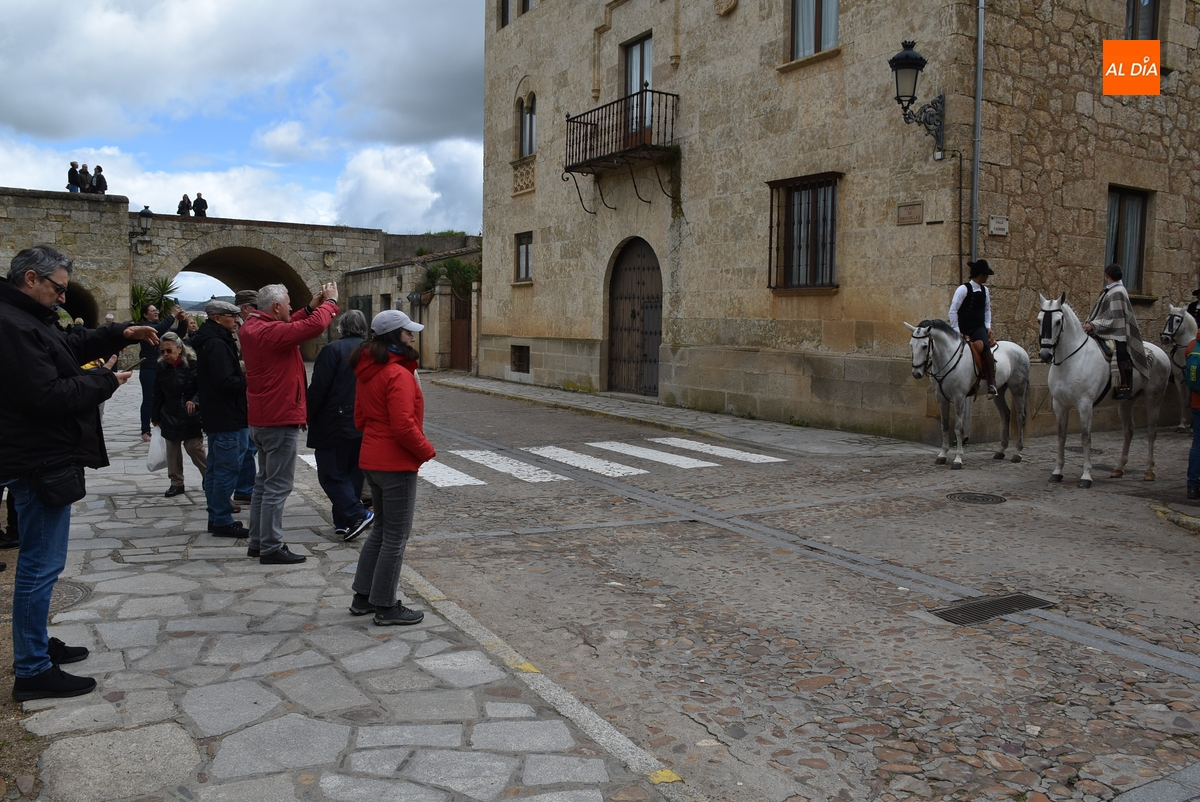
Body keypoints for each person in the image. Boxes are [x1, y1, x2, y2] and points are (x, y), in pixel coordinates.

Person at [0, 244, 159, 700]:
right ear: (31, 278)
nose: (63, 297)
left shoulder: (28, 317)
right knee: (40, 565)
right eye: (58, 288)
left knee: (42, 562)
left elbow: (68, 346)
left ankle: (36, 644)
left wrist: (121, 333)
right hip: (39, 458)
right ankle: (32, 669)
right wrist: (105, 381)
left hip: (44, 454)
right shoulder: (11, 324)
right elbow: (45, 395)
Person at [240, 282, 339, 564]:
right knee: (278, 486)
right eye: (288, 304)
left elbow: (291, 325)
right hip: (279, 418)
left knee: (263, 484)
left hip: (262, 418)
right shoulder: (269, 332)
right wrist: (330, 304)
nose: (291, 308)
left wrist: (309, 308)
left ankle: (258, 542)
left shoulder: (253, 327)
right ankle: (271, 546)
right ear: (276, 307)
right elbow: (311, 328)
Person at [349, 310, 435, 625]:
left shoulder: (368, 370)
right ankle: (386, 605)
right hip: (395, 462)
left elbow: (360, 419)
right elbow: (403, 426)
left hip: (372, 458)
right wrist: (426, 450)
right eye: (407, 332)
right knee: (396, 536)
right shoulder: (397, 373)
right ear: (394, 336)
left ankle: (363, 596)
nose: (412, 336)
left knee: (382, 530)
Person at [308, 310, 372, 541]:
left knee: (331, 474)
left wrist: (308, 415)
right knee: (353, 473)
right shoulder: (372, 351)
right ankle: (344, 522)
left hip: (334, 421)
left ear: (341, 328)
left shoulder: (333, 350)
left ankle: (355, 515)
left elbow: (319, 388)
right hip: (363, 422)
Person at [192, 300, 250, 538]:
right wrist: (249, 380)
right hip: (227, 415)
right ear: (217, 318)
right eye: (231, 316)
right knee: (226, 469)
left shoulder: (212, 339)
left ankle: (216, 516)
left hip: (219, 415)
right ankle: (222, 519)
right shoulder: (216, 343)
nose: (236, 320)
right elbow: (225, 382)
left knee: (217, 469)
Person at [151, 332, 206, 498]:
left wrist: (195, 401)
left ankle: (208, 476)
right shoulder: (162, 367)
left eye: (169, 350)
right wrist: (155, 415)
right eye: (162, 351)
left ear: (179, 349)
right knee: (172, 450)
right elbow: (157, 392)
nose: (166, 355)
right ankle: (176, 482)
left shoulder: (193, 363)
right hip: (170, 412)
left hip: (190, 413)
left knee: (193, 447)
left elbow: (202, 387)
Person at [1083, 263, 1148, 400]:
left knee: (1120, 352)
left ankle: (1124, 386)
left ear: (1106, 276)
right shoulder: (1111, 290)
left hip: (1117, 332)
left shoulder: (1117, 292)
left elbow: (1115, 319)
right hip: (1104, 330)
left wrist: (1093, 325)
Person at [948, 258, 998, 398]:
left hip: (978, 328)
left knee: (985, 347)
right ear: (981, 275)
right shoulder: (962, 289)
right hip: (962, 328)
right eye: (986, 274)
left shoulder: (985, 291)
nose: (987, 277)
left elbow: (987, 310)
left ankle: (991, 383)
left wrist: (987, 326)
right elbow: (953, 311)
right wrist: (957, 331)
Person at [137, 303, 184, 440]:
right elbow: (158, 330)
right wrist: (172, 315)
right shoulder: (145, 328)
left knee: (164, 397)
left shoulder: (161, 327)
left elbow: (178, 335)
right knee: (149, 399)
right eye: (153, 311)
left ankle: (164, 425)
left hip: (161, 368)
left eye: (156, 310)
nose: (156, 312)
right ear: (145, 315)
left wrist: (182, 321)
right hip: (148, 368)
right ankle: (145, 430)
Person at [232, 290, 259, 503]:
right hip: (241, 389)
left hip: (248, 388)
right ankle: (244, 488)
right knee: (247, 443)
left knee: (250, 443)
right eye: (256, 308)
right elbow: (232, 362)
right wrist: (256, 364)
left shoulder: (246, 326)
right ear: (245, 307)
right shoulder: (236, 329)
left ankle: (244, 486)